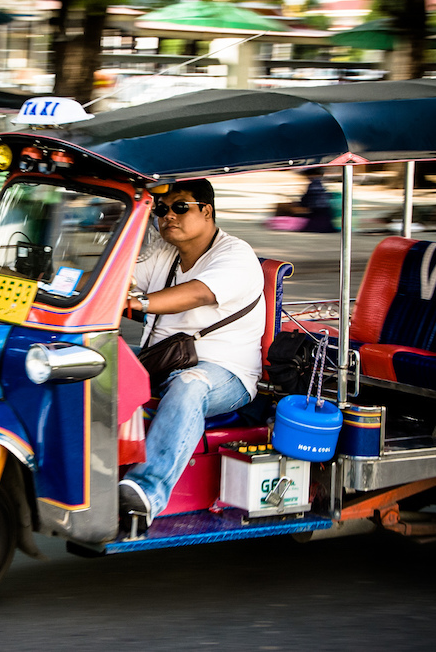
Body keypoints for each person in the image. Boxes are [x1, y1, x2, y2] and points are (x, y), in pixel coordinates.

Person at [120, 179, 265, 533]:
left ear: (206, 211)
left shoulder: (235, 255)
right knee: (97, 358)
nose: (168, 216)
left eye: (180, 207)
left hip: (225, 373)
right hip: (163, 360)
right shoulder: (164, 253)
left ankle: (147, 492)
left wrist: (139, 303)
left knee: (189, 384)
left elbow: (199, 293)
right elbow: (122, 276)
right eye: (161, 209)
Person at [267, 167, 339, 233]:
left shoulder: (314, 185)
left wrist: (293, 208)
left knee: (283, 210)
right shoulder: (318, 184)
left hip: (317, 222)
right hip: (322, 220)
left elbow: (310, 208)